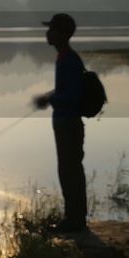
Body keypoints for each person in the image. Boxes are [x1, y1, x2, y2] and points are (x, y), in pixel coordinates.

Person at [33, 13, 88, 232]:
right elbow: (67, 90)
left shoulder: (69, 59)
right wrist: (50, 97)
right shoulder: (65, 57)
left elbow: (73, 96)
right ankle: (74, 217)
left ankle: (75, 220)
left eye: (51, 30)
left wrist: (50, 99)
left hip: (69, 123)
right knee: (68, 169)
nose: (47, 33)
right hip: (64, 122)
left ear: (62, 34)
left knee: (70, 170)